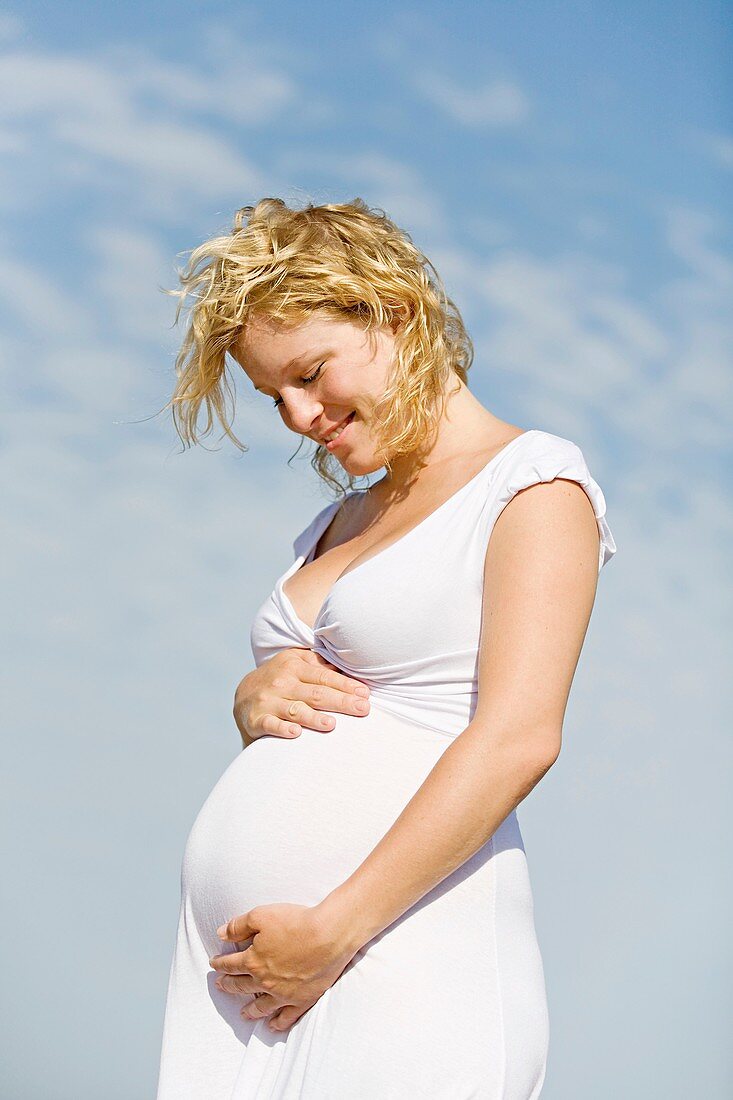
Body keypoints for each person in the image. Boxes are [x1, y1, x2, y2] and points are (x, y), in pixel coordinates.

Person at [155, 197, 617, 1099]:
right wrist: (253, 698)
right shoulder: (332, 523)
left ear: (393, 311)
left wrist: (333, 932)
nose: (297, 416)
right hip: (253, 991)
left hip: (396, 956)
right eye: (272, 395)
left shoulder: (531, 485)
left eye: (311, 372)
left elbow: (519, 735)